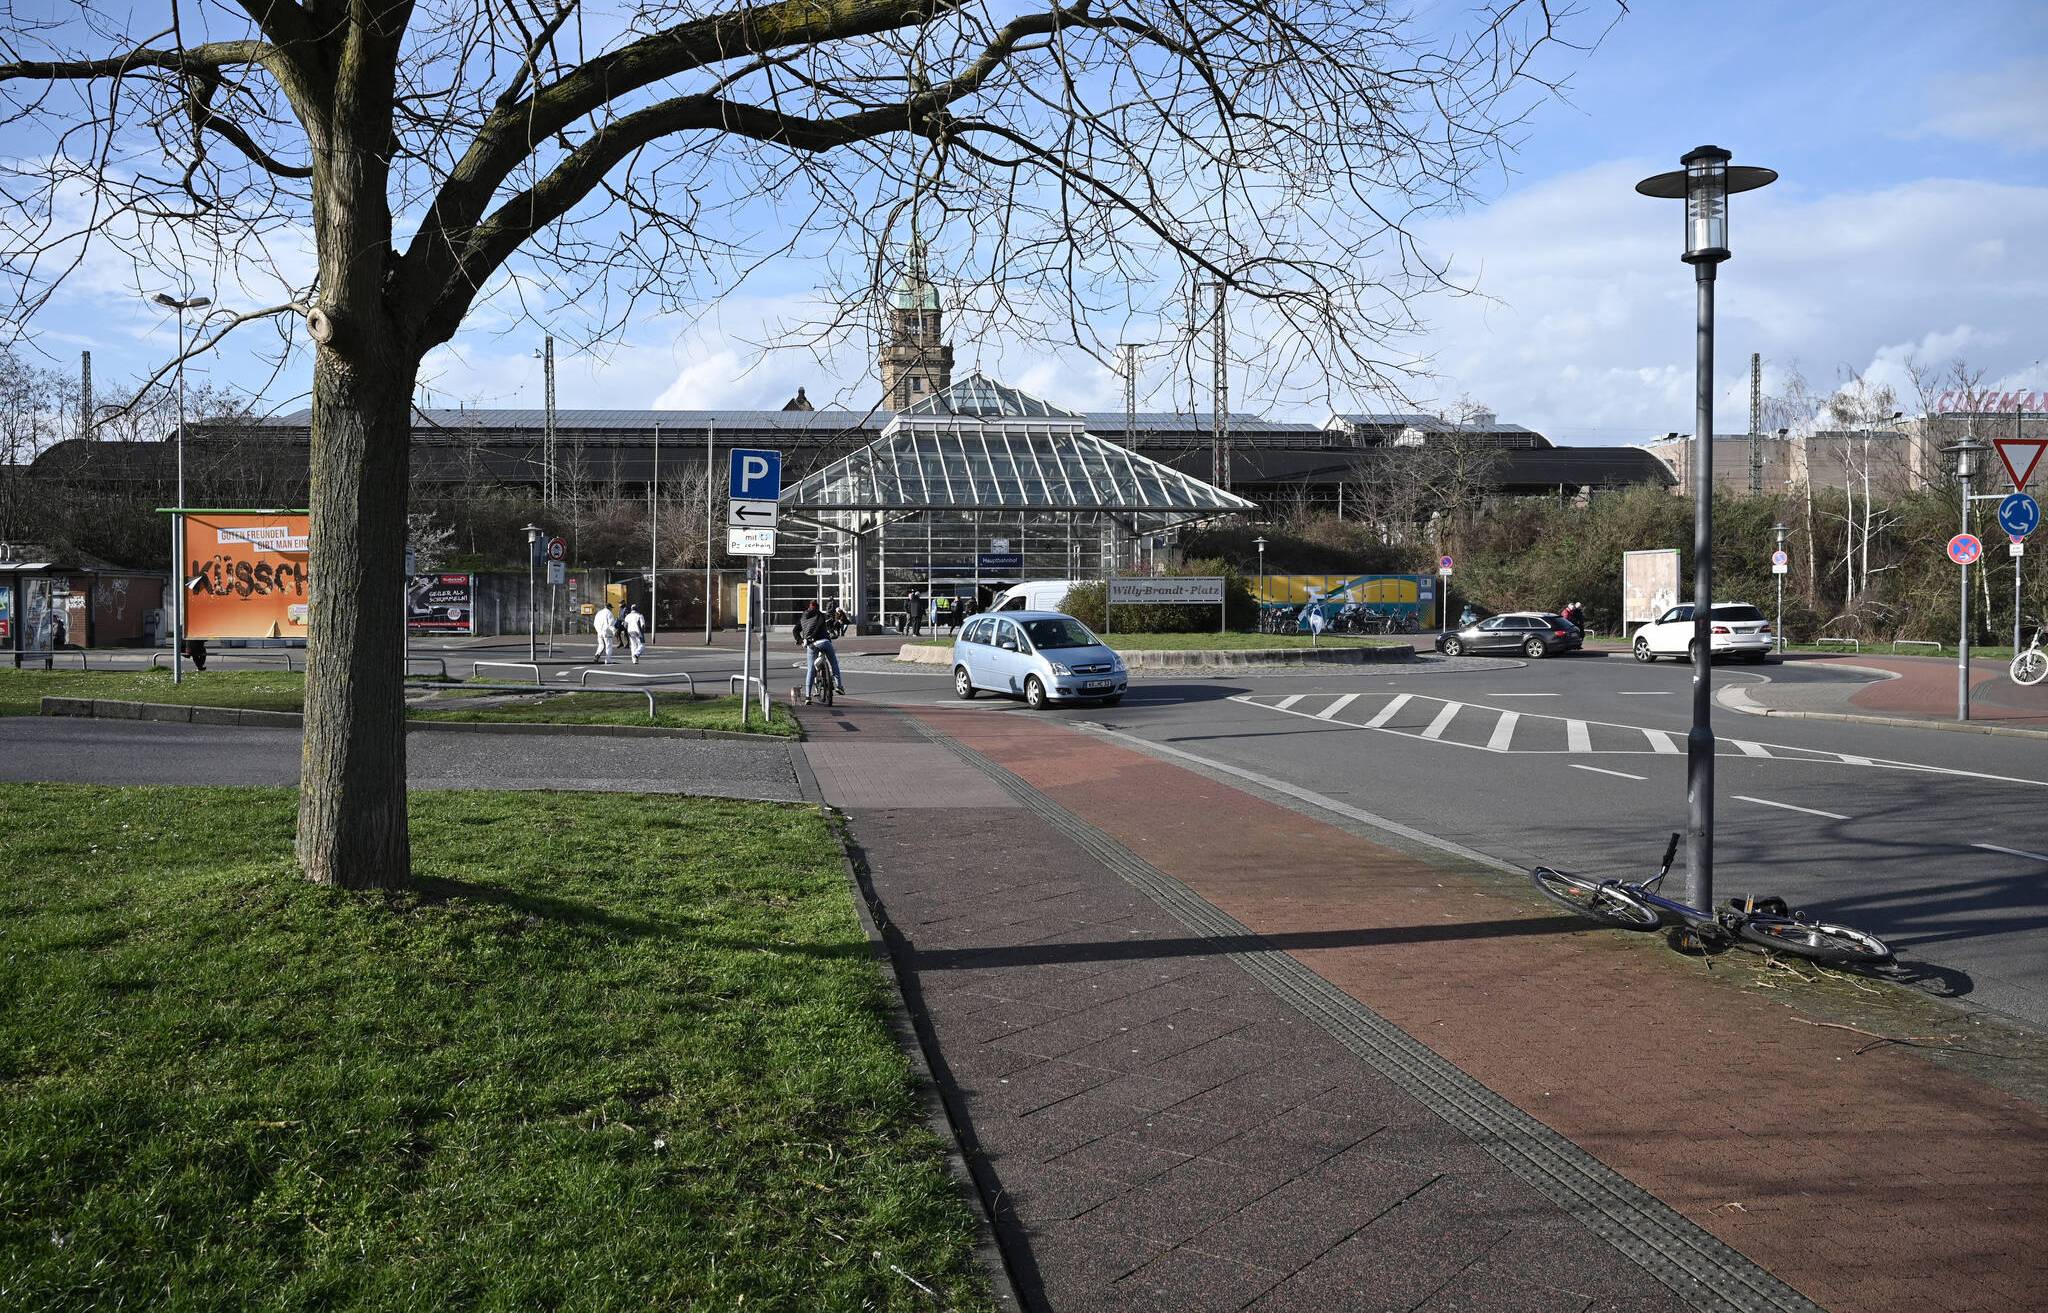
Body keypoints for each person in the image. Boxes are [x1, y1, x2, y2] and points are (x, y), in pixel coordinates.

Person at [792, 600, 844, 702]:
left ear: (809, 607)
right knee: (834, 663)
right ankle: (839, 686)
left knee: (811, 670)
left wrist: (801, 640)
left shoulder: (803, 616)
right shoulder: (820, 614)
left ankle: (808, 697)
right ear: (817, 607)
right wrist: (815, 635)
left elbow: (795, 630)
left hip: (811, 645)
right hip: (824, 642)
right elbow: (820, 625)